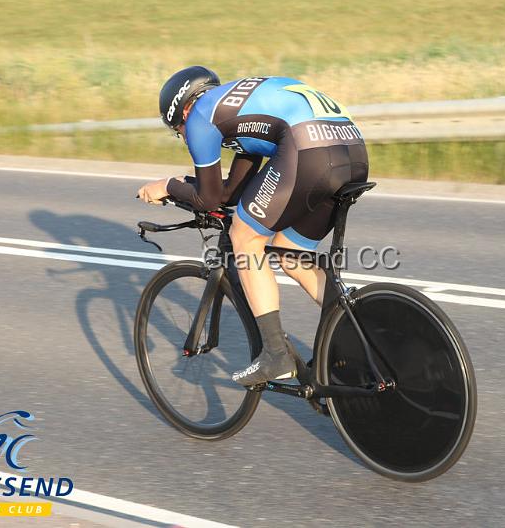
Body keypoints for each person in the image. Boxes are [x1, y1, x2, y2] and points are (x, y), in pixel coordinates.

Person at [137, 66, 368, 386]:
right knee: (291, 253)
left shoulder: (201, 116)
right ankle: (360, 336)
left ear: (184, 109)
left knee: (244, 238)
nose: (181, 135)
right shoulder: (237, 110)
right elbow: (229, 192)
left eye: (177, 128)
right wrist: (191, 187)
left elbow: (207, 199)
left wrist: (169, 185)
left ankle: (276, 354)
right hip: (352, 150)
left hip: (308, 151)